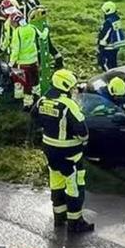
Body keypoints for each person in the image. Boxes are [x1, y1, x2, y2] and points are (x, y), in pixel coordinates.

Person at [32, 69, 94, 233]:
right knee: (75, 187)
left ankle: (59, 218)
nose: (74, 90)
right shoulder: (69, 105)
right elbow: (83, 131)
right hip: (70, 155)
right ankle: (75, 222)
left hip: (50, 152)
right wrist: (84, 141)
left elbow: (34, 118)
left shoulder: (42, 101)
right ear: (65, 86)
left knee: (56, 183)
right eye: (72, 87)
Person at [9, 12, 40, 110]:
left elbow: (15, 49)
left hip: (22, 63)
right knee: (35, 80)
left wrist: (11, 62)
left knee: (25, 83)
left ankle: (27, 104)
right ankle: (38, 97)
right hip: (34, 60)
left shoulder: (17, 32)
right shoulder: (32, 28)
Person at [29, 6, 64, 94]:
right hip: (42, 29)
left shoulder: (34, 24)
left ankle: (42, 71)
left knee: (42, 50)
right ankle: (59, 60)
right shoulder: (43, 21)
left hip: (39, 35)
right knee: (50, 46)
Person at [97, 1, 125, 71]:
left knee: (105, 64)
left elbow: (106, 35)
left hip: (108, 47)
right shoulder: (116, 19)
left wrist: (101, 47)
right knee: (113, 64)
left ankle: (110, 78)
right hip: (115, 47)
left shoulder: (108, 22)